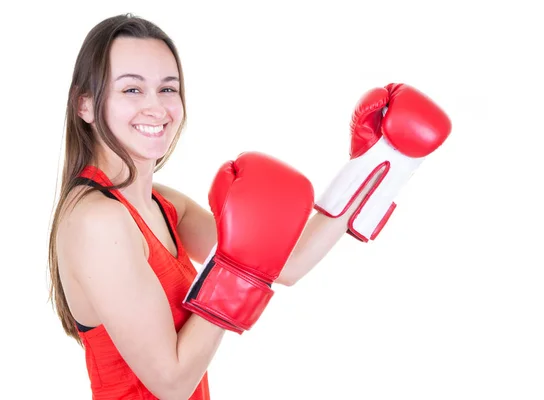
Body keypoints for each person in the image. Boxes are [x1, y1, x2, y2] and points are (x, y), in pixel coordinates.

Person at [47, 13, 451, 400]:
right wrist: (234, 268)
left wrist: (375, 163)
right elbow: (170, 383)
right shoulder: (96, 220)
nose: (156, 107)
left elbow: (284, 264)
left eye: (168, 88)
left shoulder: (162, 203)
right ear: (84, 105)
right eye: (131, 89)